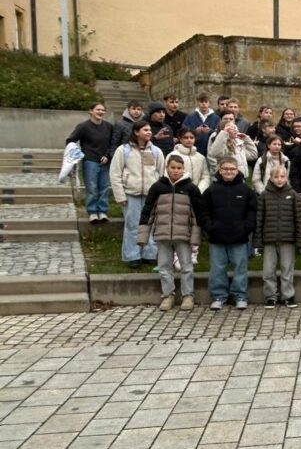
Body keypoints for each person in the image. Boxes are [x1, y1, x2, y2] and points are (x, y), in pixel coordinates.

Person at [138, 154, 201, 311]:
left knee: (186, 266)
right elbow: (147, 212)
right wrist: (143, 235)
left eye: (179, 168)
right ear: (167, 168)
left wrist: (195, 237)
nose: (176, 171)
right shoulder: (157, 187)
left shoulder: (191, 189)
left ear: (183, 169)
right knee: (164, 266)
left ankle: (188, 295)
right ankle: (168, 295)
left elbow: (197, 215)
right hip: (163, 234)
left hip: (183, 235)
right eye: (173, 167)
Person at [199, 156, 257, 310]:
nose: (229, 171)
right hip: (217, 237)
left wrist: (246, 227)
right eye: (225, 169)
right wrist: (210, 227)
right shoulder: (211, 190)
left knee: (240, 268)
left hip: (240, 237)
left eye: (232, 169)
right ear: (219, 170)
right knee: (217, 268)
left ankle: (240, 295)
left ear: (237, 170)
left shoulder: (246, 190)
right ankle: (218, 296)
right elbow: (203, 212)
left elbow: (252, 212)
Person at [110, 120, 165, 269]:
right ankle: (132, 255)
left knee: (151, 224)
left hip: (150, 195)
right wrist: (120, 195)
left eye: (149, 130)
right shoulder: (123, 150)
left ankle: (150, 253)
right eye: (145, 130)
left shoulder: (156, 151)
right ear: (136, 132)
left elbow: (162, 174)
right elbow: (115, 174)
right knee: (132, 225)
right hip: (131, 194)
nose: (149, 132)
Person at [254, 165, 301, 309]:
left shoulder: (294, 195)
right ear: (271, 178)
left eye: (282, 176)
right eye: (276, 177)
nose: (279, 179)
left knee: (287, 269)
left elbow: (300, 220)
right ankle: (271, 296)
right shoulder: (264, 195)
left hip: (287, 239)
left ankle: (288, 296)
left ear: (287, 178)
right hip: (269, 239)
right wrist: (258, 240)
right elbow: (259, 218)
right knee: (268, 270)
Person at [67, 102, 113, 223]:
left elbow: (112, 144)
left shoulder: (108, 126)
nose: (101, 112)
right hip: (90, 161)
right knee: (92, 187)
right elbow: (70, 141)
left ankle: (102, 211)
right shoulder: (83, 127)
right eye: (98, 110)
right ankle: (92, 211)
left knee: (104, 187)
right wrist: (77, 155)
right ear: (91, 111)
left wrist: (108, 155)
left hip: (105, 161)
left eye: (103, 110)